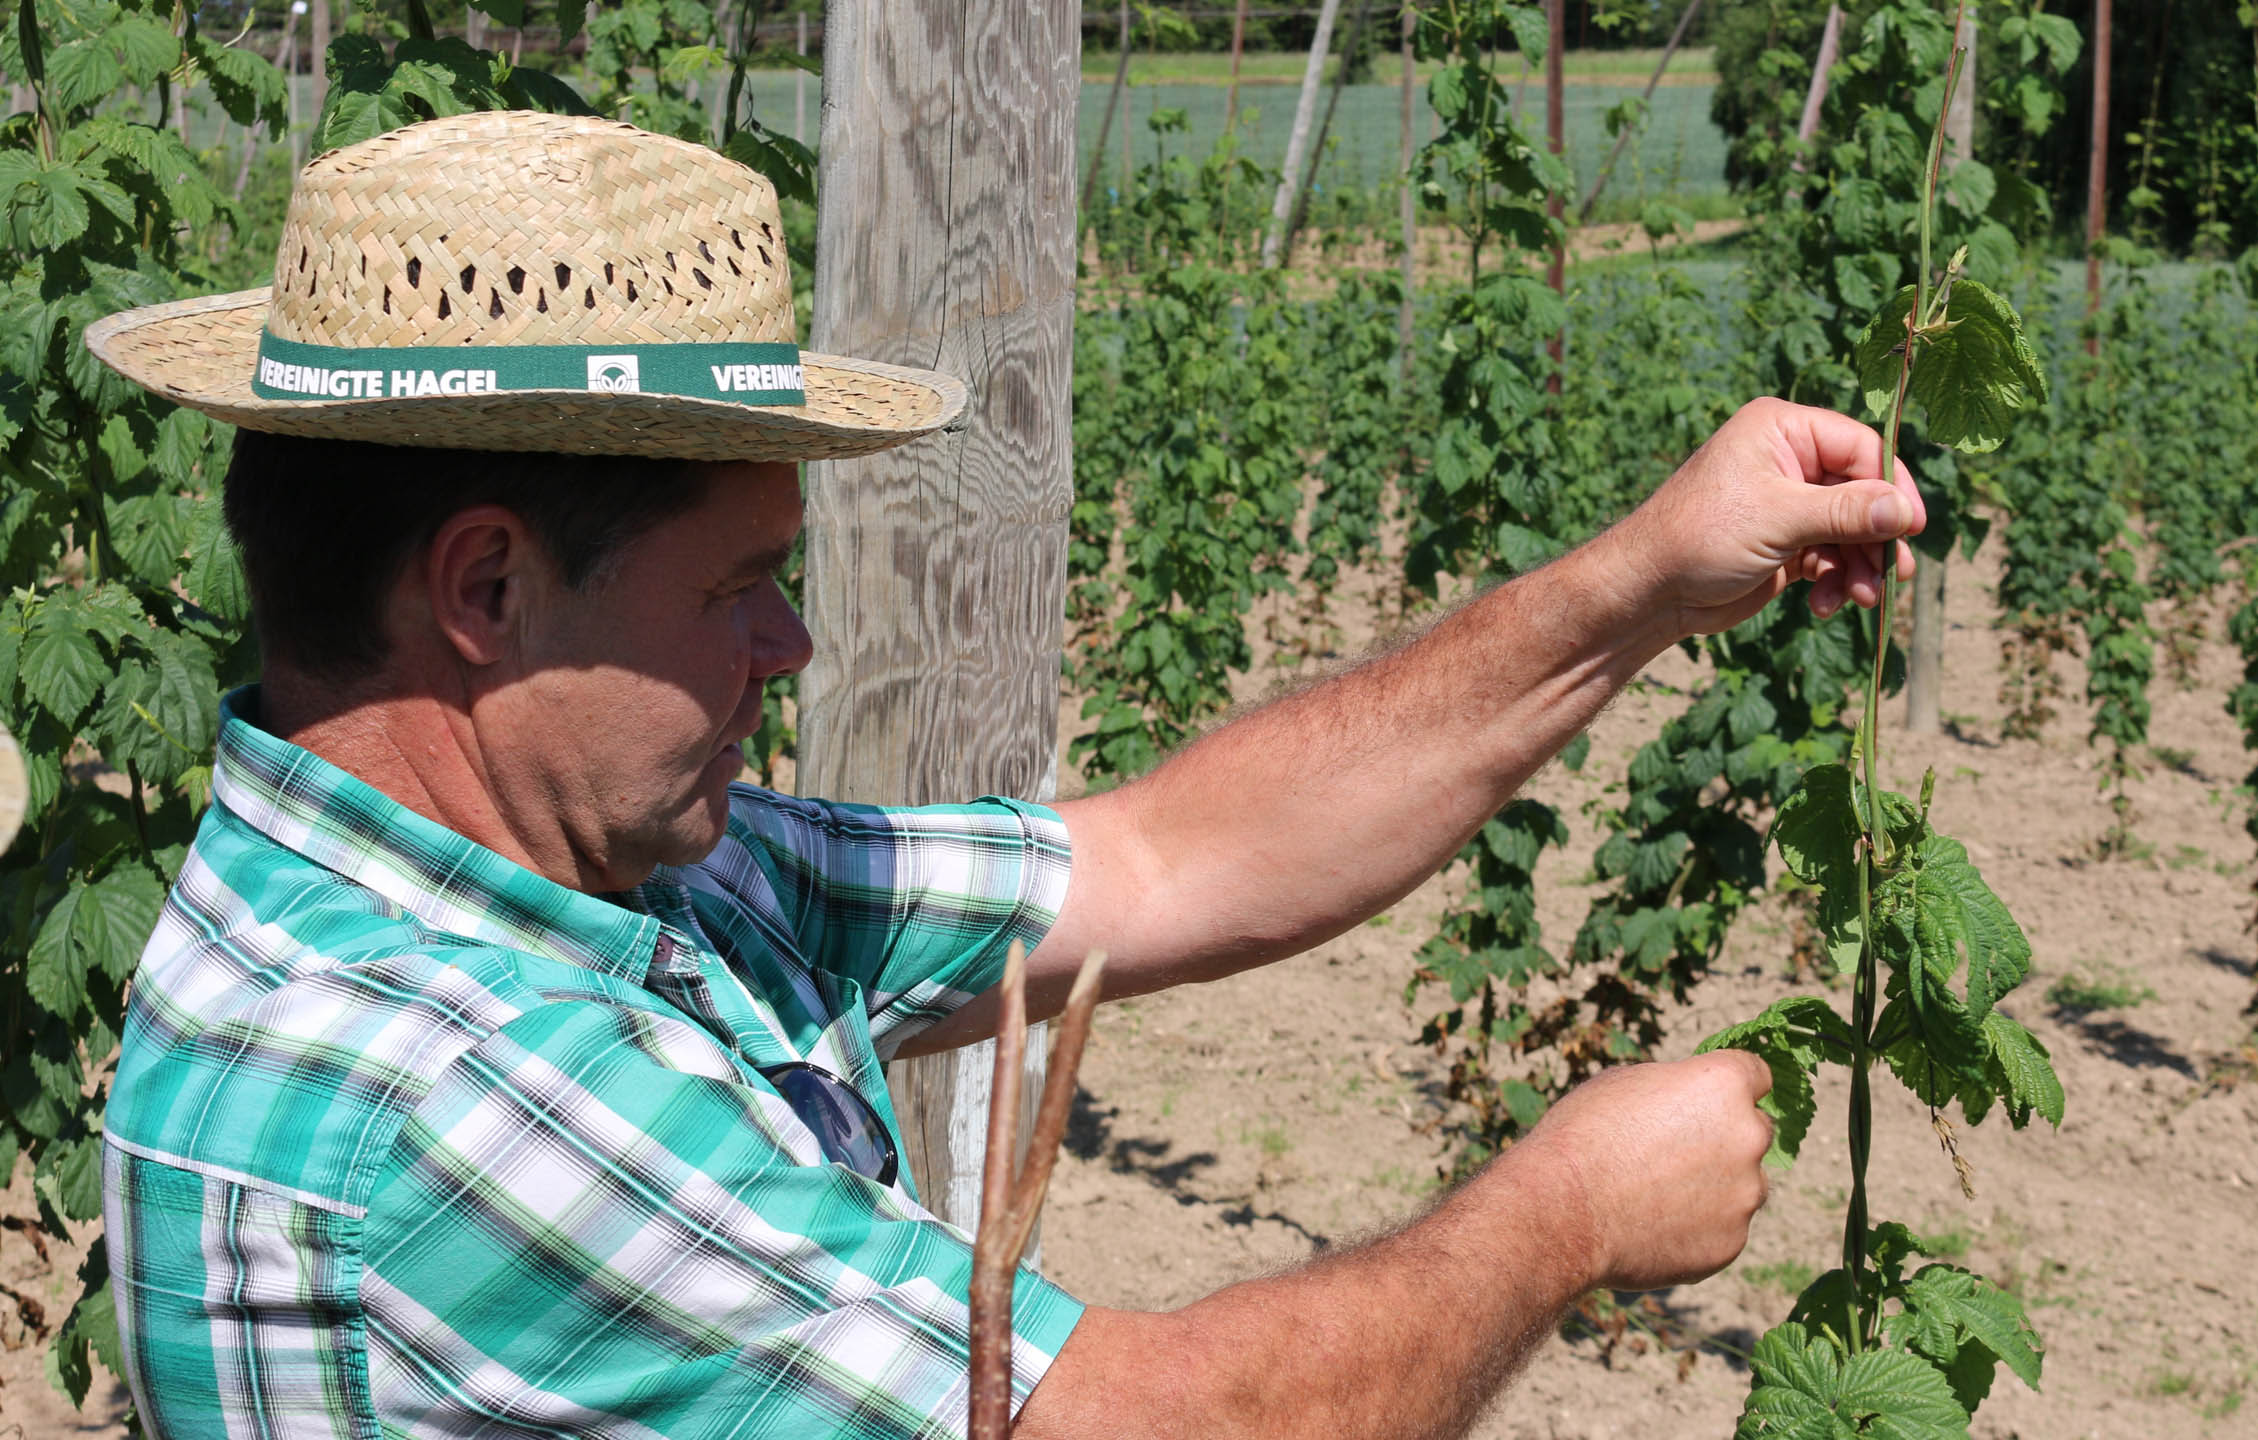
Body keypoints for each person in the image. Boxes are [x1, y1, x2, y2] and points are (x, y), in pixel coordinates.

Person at [87, 113, 1923, 1440]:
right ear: (487, 589)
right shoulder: (449, 1087)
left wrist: (1637, 584)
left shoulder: (599, 881)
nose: (787, 644)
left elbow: (1153, 863)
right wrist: (1565, 1219)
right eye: (737, 585)